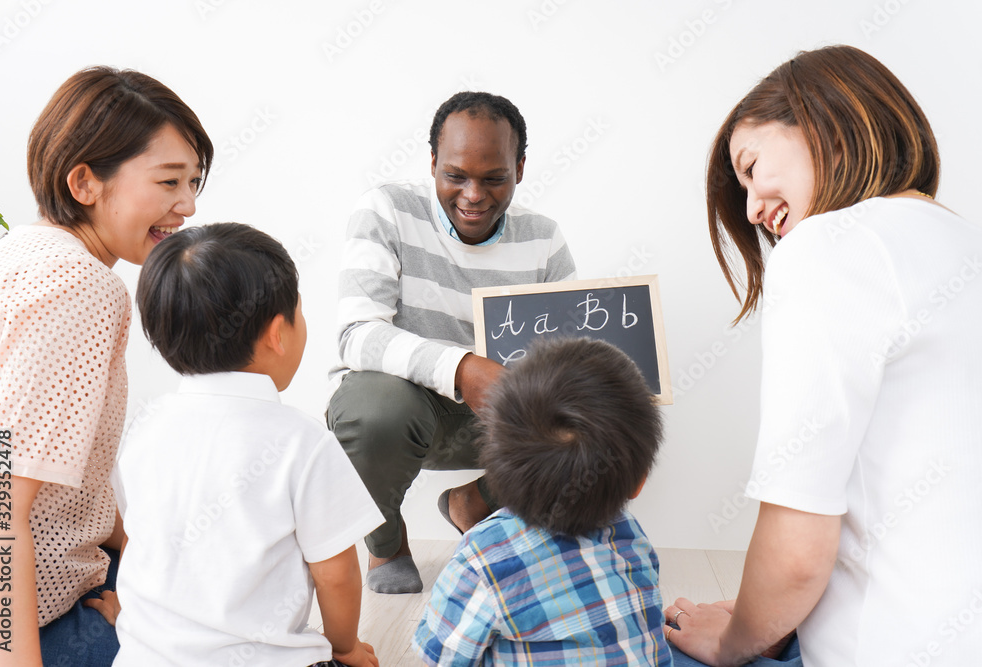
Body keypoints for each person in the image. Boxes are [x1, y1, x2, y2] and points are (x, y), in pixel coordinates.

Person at [666, 45, 982, 667]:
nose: (752, 209)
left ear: (823, 124)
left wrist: (734, 641)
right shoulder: (961, 240)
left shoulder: (828, 246)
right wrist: (765, 617)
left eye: (751, 167)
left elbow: (799, 547)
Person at [0, 66, 212, 666]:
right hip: (20, 612)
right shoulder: (79, 286)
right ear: (84, 181)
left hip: (61, 571)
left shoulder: (15, 253)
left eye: (193, 181)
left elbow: (63, 484)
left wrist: (134, 558)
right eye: (168, 181)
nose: (188, 205)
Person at [327, 91, 576, 594]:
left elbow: (569, 357)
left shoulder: (543, 238)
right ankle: (386, 542)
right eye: (455, 175)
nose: (473, 194)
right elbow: (357, 334)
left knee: (594, 416)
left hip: (505, 421)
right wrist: (463, 368)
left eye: (494, 178)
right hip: (406, 412)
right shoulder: (386, 210)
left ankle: (476, 502)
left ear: (520, 169)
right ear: (432, 163)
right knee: (373, 412)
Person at [112, 223, 382, 666]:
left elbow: (135, 538)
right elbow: (336, 576)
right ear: (277, 334)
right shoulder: (303, 441)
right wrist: (345, 647)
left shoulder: (143, 427)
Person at [412, 337, 670, 665]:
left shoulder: (483, 556)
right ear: (639, 481)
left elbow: (442, 654)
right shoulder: (631, 536)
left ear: (496, 467)